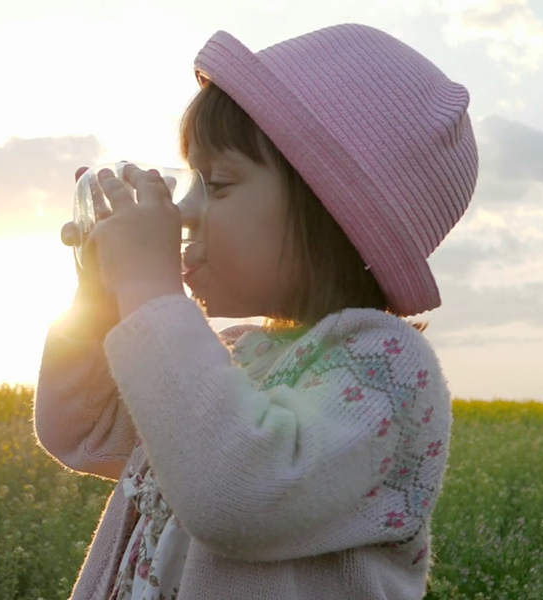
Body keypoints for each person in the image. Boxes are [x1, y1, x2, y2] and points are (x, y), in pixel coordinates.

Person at [34, 23, 478, 600]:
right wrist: (101, 296)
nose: (186, 211)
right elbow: (82, 429)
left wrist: (148, 283)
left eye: (217, 184)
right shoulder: (236, 357)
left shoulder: (384, 371)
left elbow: (233, 493)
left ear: (329, 213)